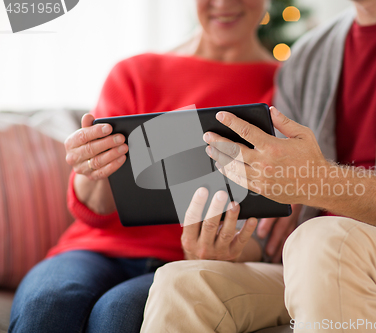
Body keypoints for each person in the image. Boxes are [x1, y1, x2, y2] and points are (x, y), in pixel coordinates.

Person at [141, 0, 376, 332]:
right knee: (183, 282)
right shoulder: (308, 56)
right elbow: (283, 224)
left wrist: (318, 182)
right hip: (318, 259)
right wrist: (229, 247)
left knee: (327, 242)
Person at [8, 1, 289, 332]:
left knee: (119, 314)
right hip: (94, 250)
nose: (224, 3)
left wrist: (231, 251)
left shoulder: (287, 86)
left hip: (184, 263)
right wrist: (90, 168)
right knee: (47, 304)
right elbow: (96, 206)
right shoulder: (136, 73)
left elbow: (272, 226)